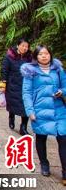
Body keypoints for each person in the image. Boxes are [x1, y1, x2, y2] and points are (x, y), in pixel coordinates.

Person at [21, 45, 66, 184]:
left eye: (46, 53)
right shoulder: (30, 72)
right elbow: (26, 93)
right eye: (41, 54)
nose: (44, 56)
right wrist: (30, 111)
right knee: (41, 137)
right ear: (36, 57)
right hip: (39, 110)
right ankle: (44, 163)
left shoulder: (58, 70)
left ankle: (65, 171)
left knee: (63, 138)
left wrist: (62, 92)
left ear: (50, 55)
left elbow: (65, 86)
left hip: (58, 109)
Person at [0, 38, 32, 135]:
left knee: (26, 106)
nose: (25, 48)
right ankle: (11, 117)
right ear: (18, 46)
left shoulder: (30, 58)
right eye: (23, 46)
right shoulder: (9, 56)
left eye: (26, 46)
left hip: (26, 86)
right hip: (12, 85)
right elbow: (4, 71)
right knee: (12, 104)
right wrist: (2, 85)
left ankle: (23, 127)